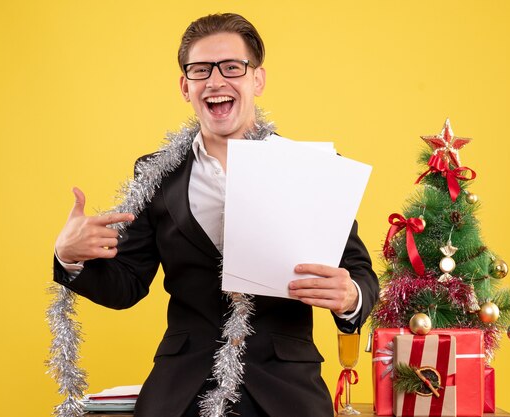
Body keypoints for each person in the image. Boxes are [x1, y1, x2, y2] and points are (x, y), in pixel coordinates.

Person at [53, 13, 378, 417]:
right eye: (200, 69)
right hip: (182, 387)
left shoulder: (310, 168)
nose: (215, 81)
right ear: (185, 86)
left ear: (256, 80)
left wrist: (350, 297)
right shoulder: (157, 174)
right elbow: (127, 285)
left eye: (232, 68)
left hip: (285, 389)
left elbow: (359, 272)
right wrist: (70, 256)